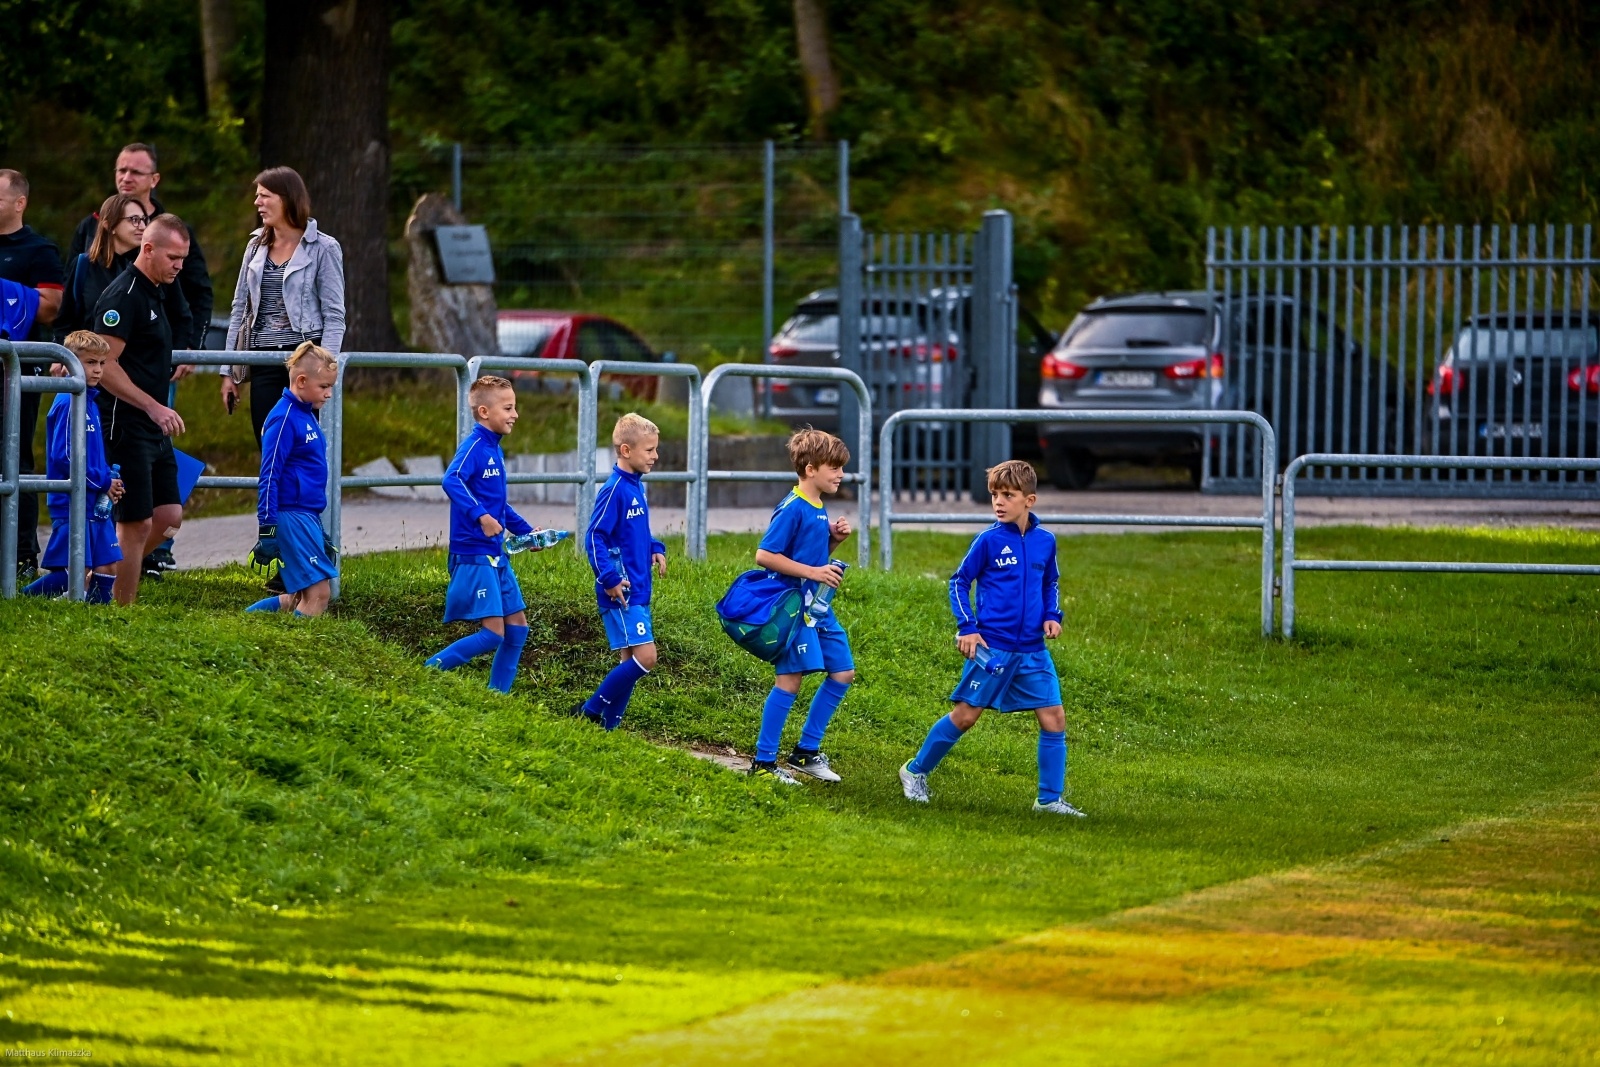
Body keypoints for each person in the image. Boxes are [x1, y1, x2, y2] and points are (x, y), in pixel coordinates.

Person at [897, 460, 1086, 817]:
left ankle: (1048, 800)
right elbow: (958, 581)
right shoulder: (987, 540)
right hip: (993, 649)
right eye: (995, 495)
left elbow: (1051, 584)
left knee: (1054, 718)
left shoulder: (1046, 542)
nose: (999, 502)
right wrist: (968, 627)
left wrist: (1051, 615)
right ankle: (914, 771)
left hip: (1033, 650)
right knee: (966, 716)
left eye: (1008, 495)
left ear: (1029, 499)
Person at [91, 213, 190, 606]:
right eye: (173, 257)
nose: (179, 266)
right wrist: (152, 406)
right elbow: (104, 365)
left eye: (183, 258)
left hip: (153, 422)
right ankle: (120, 608)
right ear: (147, 249)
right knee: (136, 523)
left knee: (168, 517)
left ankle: (99, 571)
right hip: (127, 422)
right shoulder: (123, 295)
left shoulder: (158, 289)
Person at [748, 428, 856, 784]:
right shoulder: (793, 507)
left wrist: (833, 542)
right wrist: (813, 571)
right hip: (794, 609)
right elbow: (765, 555)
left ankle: (805, 752)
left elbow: (812, 557)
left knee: (843, 672)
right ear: (810, 469)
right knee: (789, 680)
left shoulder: (818, 507)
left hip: (819, 608)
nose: (841, 474)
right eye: (834, 468)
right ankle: (763, 764)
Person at [424, 376, 535, 693]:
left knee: (518, 629)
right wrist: (481, 516)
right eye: (508, 408)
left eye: (515, 407)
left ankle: (497, 697)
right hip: (474, 554)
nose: (515, 414)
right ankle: (427, 671)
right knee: (493, 634)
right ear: (484, 412)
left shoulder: (495, 450)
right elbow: (451, 480)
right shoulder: (474, 446)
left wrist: (527, 532)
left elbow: (497, 505)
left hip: (496, 555)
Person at [220, 166, 346, 444]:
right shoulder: (254, 247)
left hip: (304, 363)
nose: (257, 203)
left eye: (265, 196)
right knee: (269, 445)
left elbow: (334, 315)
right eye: (257, 196)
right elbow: (240, 309)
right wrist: (229, 370)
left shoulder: (324, 247)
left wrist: (325, 367)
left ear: (287, 198)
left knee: (305, 450)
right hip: (262, 360)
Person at [569, 413, 668, 729]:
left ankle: (610, 727)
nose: (655, 456)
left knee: (630, 660)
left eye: (655, 449)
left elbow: (635, 531)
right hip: (622, 591)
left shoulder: (636, 486)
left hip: (639, 588)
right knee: (646, 658)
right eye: (649, 450)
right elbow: (594, 535)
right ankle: (589, 712)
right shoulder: (614, 490)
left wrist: (655, 547)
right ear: (626, 451)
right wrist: (609, 578)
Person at [69, 143, 211, 350]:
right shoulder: (90, 226)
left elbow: (199, 292)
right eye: (122, 170)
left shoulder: (175, 231)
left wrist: (192, 345)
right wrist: (65, 349)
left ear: (154, 179)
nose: (126, 178)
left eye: (135, 172)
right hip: (94, 353)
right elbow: (71, 294)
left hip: (156, 351)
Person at [22, 331, 122, 603]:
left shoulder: (90, 401)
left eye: (102, 363)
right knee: (73, 570)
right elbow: (65, 456)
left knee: (107, 565)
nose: (98, 370)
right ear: (68, 363)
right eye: (90, 362)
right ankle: (22, 599)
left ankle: (98, 616)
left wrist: (109, 480)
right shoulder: (68, 401)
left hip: (94, 497)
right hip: (72, 500)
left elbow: (91, 454)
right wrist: (103, 482)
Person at [0, 168, 66, 578]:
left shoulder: (39, 250)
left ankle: (22, 552)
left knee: (14, 455)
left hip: (15, 368)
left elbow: (49, 306)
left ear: (19, 202)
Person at [245, 342, 338, 617]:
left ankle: (246, 623)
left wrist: (315, 527)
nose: (329, 394)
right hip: (291, 515)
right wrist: (267, 531)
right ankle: (302, 653)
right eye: (324, 387)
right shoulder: (284, 418)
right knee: (319, 594)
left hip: (305, 514)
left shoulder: (305, 415)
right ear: (301, 381)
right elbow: (269, 476)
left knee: (297, 596)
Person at [56, 193, 158, 335]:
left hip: (141, 356)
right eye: (134, 220)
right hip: (91, 354)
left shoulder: (152, 266)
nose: (142, 226)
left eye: (144, 220)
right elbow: (64, 322)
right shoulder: (83, 265)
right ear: (109, 224)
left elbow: (179, 316)